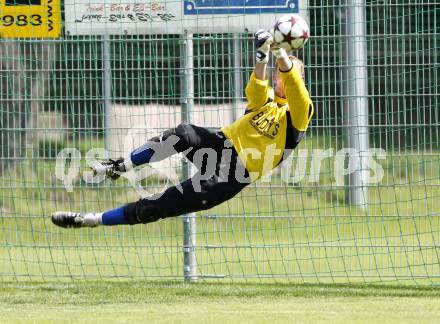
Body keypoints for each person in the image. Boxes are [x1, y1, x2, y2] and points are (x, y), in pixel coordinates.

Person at [51, 30, 314, 228]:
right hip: (220, 145)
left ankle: (91, 220)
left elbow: (297, 91)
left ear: (298, 77)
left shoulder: (299, 113)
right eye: (278, 73)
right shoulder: (266, 101)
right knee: (184, 132)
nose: (280, 76)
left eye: (287, 73)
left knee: (157, 205)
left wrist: (281, 52)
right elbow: (256, 86)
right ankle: (119, 166)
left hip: (234, 174)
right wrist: (262, 54)